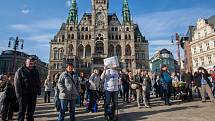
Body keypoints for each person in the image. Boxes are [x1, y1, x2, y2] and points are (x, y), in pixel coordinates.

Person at [14, 57, 41, 121]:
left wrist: (38, 91)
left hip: (33, 94)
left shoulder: (36, 71)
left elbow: (38, 81)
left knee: (31, 110)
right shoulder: (20, 70)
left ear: (34, 63)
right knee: (21, 111)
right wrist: (19, 95)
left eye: (32, 62)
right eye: (29, 62)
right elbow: (17, 83)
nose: (31, 63)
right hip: (23, 95)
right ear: (26, 62)